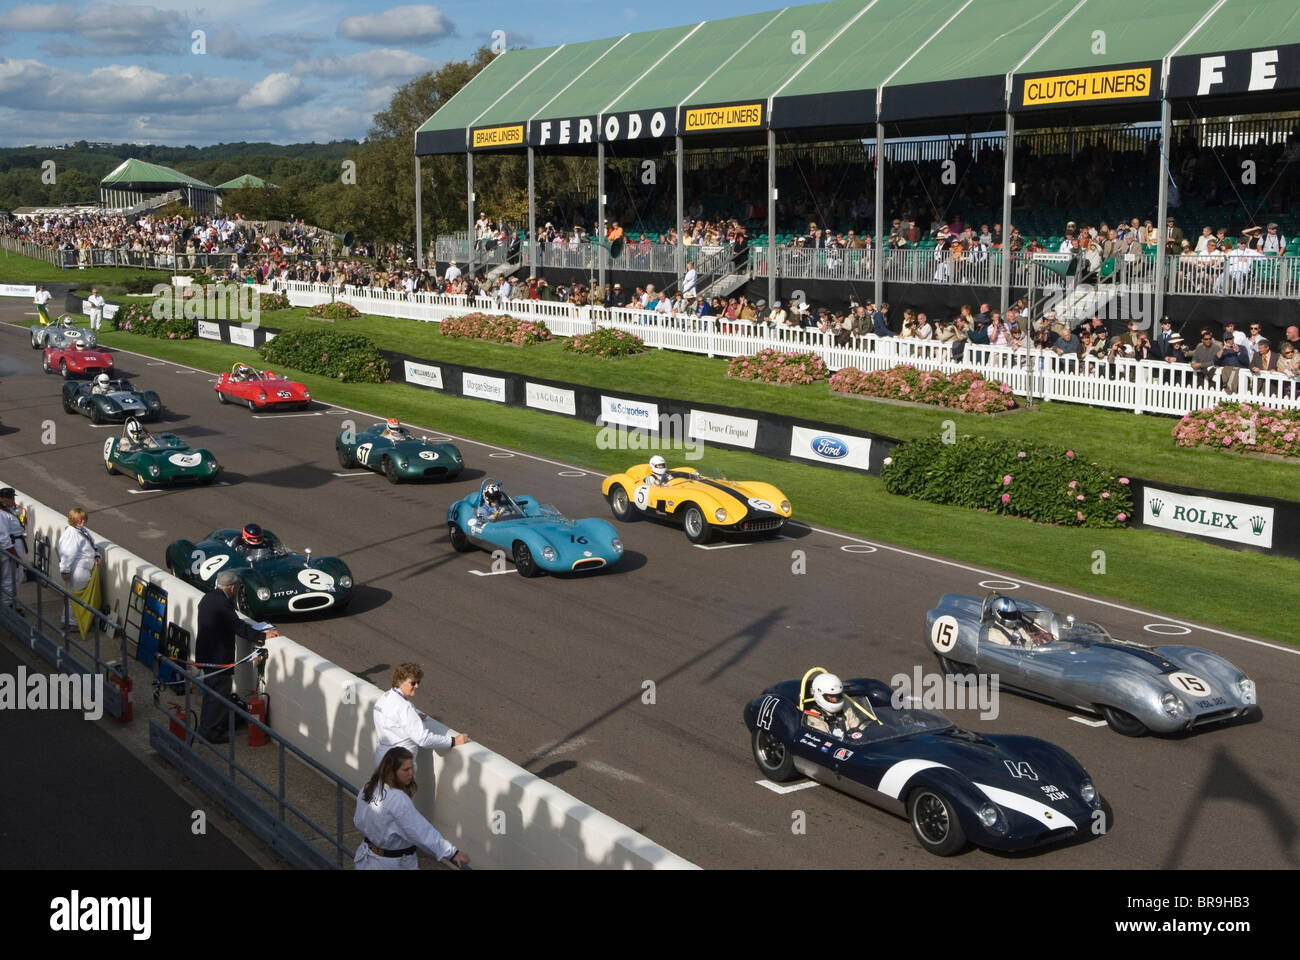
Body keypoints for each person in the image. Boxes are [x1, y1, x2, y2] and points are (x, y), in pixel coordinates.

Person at [195, 569, 279, 744]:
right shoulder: (223, 604)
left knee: (211, 696)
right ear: (232, 588)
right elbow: (238, 626)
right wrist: (263, 636)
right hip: (218, 659)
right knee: (218, 695)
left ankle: (205, 728)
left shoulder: (207, 598)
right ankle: (211, 731)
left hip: (205, 655)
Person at [354, 747, 470, 870]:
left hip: (367, 859)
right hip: (391, 864)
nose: (411, 773)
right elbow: (421, 831)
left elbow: (358, 821)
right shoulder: (398, 799)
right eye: (406, 769)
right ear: (392, 771)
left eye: (412, 768)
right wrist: (452, 853)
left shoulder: (369, 788)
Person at [372, 663, 469, 771]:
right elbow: (423, 739)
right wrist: (453, 741)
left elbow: (392, 719)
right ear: (400, 681)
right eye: (413, 683)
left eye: (418, 682)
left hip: (380, 760)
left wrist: (414, 718)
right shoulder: (405, 707)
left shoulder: (384, 698)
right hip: (399, 767)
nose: (417, 686)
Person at [57, 507, 100, 635]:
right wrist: (64, 570)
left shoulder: (80, 530)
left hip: (81, 568)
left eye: (83, 520)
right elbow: (67, 554)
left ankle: (68, 621)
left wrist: (97, 555)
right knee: (75, 599)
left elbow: (92, 545)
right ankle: (71, 623)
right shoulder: (72, 534)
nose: (82, 522)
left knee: (73, 598)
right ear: (74, 520)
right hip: (78, 570)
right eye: (80, 520)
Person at [802, 673, 868, 739]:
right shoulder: (814, 716)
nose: (835, 699)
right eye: (831, 696)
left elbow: (860, 729)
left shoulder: (846, 710)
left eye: (837, 695)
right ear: (819, 695)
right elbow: (824, 740)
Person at [0, 488, 28, 612]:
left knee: (18, 576)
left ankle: (12, 603)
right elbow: (3, 537)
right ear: (2, 499)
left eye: (13, 497)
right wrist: (14, 555)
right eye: (10, 498)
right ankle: (7, 607)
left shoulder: (10, 510)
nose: (13, 500)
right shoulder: (1, 514)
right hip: (10, 549)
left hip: (17, 544)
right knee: (9, 578)